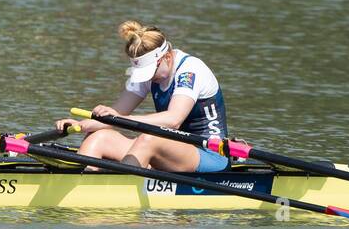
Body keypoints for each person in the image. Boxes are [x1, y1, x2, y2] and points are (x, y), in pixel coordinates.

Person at [56, 21, 229, 173]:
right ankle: (83, 186)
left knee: (149, 138)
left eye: (150, 72)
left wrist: (122, 118)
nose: (147, 77)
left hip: (209, 155)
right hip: (170, 151)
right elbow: (116, 115)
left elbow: (173, 119)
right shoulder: (152, 71)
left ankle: (120, 191)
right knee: (100, 136)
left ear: (167, 57)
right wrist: (82, 125)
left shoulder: (190, 71)